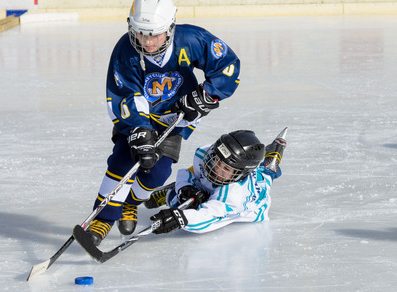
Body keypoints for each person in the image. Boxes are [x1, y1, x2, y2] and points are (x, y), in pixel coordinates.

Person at [86, 0, 241, 245]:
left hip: (177, 119)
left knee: (156, 175)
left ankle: (130, 203)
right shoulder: (126, 50)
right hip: (139, 120)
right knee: (123, 161)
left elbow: (227, 66)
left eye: (155, 35)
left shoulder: (192, 39)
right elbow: (124, 93)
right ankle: (102, 220)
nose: (147, 42)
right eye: (141, 34)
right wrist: (138, 129)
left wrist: (207, 94)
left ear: (170, 28)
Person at [145, 128, 287, 234]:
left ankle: (273, 154)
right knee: (190, 190)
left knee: (268, 171)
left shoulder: (234, 196)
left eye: (225, 168)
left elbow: (205, 219)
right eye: (216, 160)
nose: (216, 169)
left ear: (241, 173)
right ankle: (182, 190)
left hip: (251, 209)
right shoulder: (205, 152)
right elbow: (189, 172)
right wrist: (185, 187)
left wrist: (180, 218)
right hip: (220, 187)